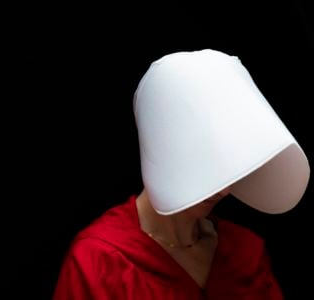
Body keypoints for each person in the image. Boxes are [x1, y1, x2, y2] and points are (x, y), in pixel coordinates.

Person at [53, 49, 310, 299]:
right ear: (164, 145)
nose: (224, 190)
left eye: (233, 164)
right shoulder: (98, 261)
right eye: (206, 162)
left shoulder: (246, 254)